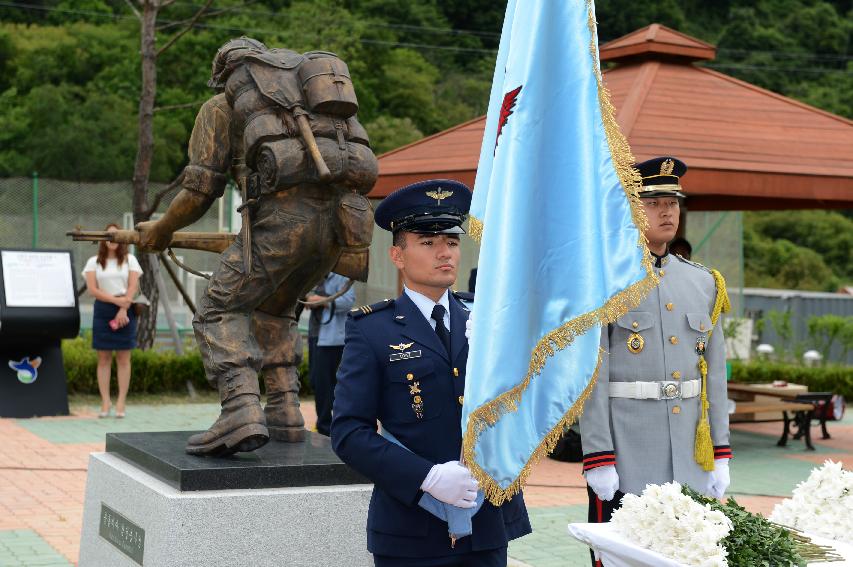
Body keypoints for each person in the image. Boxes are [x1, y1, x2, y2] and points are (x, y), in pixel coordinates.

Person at [134, 38, 377, 455]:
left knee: (218, 308)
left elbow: (199, 191)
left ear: (224, 74)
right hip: (338, 231)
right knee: (274, 311)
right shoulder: (315, 111)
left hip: (280, 228)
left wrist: (162, 229)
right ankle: (284, 412)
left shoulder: (222, 108)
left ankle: (240, 410)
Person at [331, 179, 531, 566]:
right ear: (398, 255)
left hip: (486, 522)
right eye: (427, 242)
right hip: (411, 528)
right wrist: (426, 476)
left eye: (452, 242)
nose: (445, 252)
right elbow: (348, 432)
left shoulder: (488, 321)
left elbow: (521, 404)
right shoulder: (373, 329)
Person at [579, 157, 731, 564]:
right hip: (629, 454)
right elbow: (592, 376)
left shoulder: (703, 282)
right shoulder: (604, 280)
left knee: (691, 554)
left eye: (673, 202)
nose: (667, 211)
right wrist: (598, 455)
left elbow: (714, 377)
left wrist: (721, 451)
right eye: (653, 202)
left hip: (691, 455)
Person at [82, 223, 143, 418]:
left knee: (124, 359)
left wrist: (123, 308)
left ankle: (120, 404)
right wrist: (118, 302)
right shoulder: (93, 262)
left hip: (126, 310)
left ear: (122, 238)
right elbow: (93, 290)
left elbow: (133, 287)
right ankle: (105, 403)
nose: (112, 239)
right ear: (103, 238)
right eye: (108, 235)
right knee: (103, 359)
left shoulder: (130, 259)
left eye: (116, 235)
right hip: (103, 310)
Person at [305, 272, 356, 436]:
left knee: (325, 383)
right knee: (316, 381)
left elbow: (348, 302)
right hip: (315, 334)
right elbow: (307, 295)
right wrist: (311, 299)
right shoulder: (315, 275)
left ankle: (325, 426)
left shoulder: (342, 277)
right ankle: (330, 421)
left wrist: (322, 301)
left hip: (332, 339)